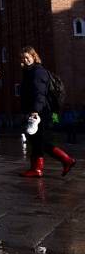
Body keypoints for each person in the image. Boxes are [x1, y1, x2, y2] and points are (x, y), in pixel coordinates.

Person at [19, 47, 76, 177]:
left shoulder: (38, 72)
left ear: (34, 57)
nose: (25, 60)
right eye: (23, 58)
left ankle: (65, 160)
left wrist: (35, 111)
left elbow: (40, 93)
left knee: (39, 141)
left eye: (27, 57)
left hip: (40, 111)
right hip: (36, 111)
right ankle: (37, 168)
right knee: (35, 140)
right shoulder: (29, 72)